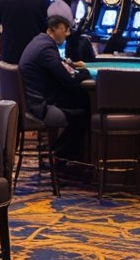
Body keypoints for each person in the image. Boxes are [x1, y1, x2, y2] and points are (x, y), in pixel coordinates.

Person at [18, 15, 91, 162]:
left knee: (81, 102)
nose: (67, 34)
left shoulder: (39, 41)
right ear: (53, 30)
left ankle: (63, 154)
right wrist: (85, 74)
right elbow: (66, 79)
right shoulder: (46, 48)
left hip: (33, 101)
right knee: (86, 109)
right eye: (64, 30)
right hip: (40, 106)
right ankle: (62, 155)